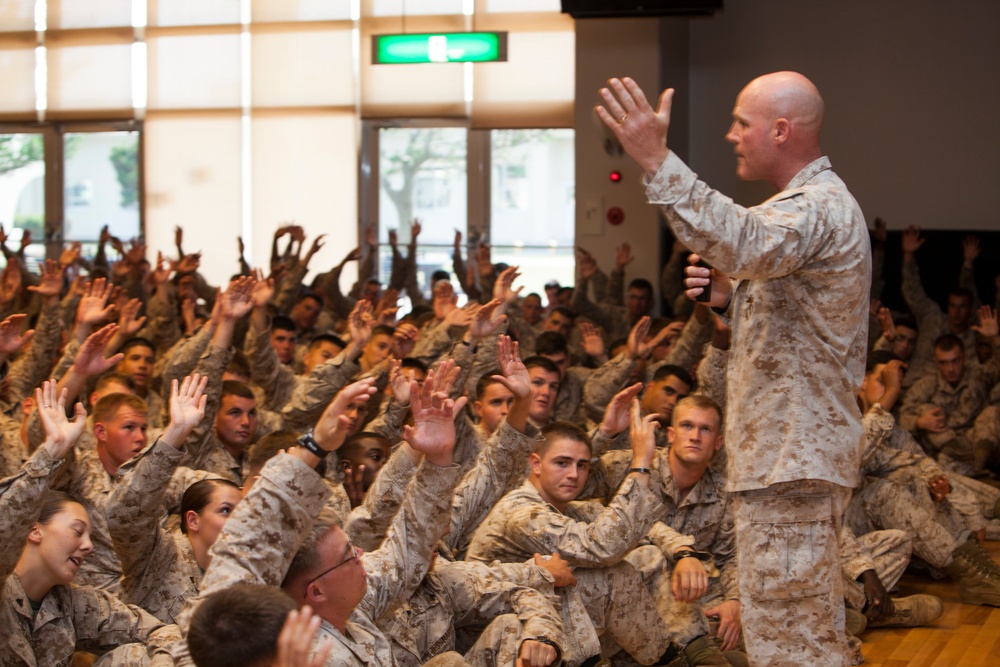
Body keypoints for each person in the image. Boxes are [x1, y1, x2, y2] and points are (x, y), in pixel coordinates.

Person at [597, 71, 870, 666]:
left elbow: (742, 240)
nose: (731, 135)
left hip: (791, 462)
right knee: (799, 634)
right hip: (784, 460)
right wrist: (731, 297)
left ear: (781, 129)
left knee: (791, 643)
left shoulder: (817, 206)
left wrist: (654, 158)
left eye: (741, 123)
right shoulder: (805, 207)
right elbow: (788, 319)